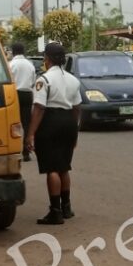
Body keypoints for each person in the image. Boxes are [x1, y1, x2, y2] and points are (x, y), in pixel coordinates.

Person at [25, 41, 82, 225]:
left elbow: (39, 108)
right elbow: (76, 108)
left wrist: (31, 133)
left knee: (52, 168)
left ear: (47, 59)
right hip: (69, 123)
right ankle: (67, 207)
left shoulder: (44, 80)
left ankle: (55, 212)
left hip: (51, 122)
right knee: (64, 166)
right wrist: (74, 133)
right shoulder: (73, 80)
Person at [9, 43, 37, 162]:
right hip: (27, 94)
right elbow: (33, 81)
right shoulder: (29, 64)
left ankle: (12, 151)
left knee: (12, 122)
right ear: (23, 51)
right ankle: (26, 152)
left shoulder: (11, 64)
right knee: (26, 123)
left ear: (13, 51)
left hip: (14, 94)